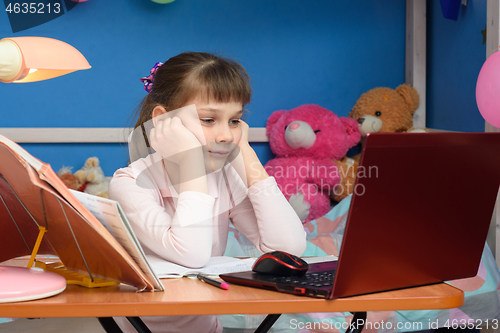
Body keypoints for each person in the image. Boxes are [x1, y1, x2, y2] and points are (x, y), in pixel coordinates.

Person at [108, 52, 307, 333]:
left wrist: (247, 157)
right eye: (209, 120)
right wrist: (190, 164)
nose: (225, 135)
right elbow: (191, 254)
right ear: (164, 122)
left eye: (234, 121)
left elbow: (289, 248)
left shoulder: (225, 178)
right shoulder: (129, 183)